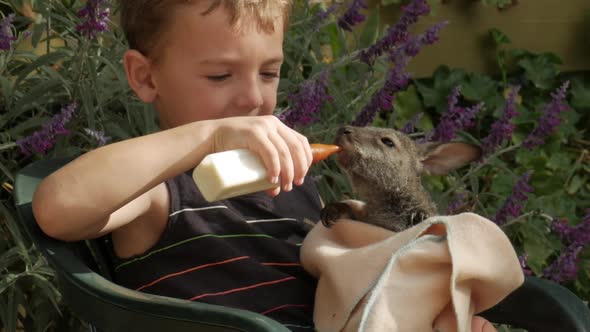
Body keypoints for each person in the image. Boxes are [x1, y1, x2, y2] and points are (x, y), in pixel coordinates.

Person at [32, 1, 498, 331]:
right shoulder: (159, 190)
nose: (254, 98)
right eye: (220, 75)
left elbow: (347, 291)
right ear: (146, 76)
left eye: (269, 73)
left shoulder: (295, 186)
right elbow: (57, 207)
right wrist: (208, 137)